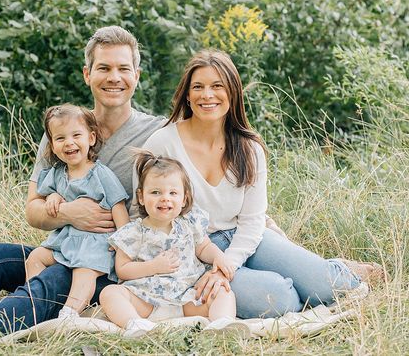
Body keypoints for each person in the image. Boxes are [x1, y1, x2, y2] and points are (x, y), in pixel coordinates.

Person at [0, 26, 165, 339]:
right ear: (87, 74)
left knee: (54, 277)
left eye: (123, 68)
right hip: (65, 247)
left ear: (137, 74)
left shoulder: (157, 134)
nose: (114, 77)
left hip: (112, 268)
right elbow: (34, 210)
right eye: (104, 68)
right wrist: (69, 213)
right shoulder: (63, 130)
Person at [141, 49, 383, 319]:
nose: (207, 95)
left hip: (244, 238)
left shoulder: (248, 148)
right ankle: (288, 281)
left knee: (330, 286)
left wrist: (227, 265)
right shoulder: (162, 143)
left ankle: (339, 269)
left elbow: (253, 221)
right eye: (198, 87)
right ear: (187, 94)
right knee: (280, 301)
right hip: (193, 252)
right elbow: (141, 210)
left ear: (232, 93)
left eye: (217, 86)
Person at [100, 151, 250, 337]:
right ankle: (135, 324)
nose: (165, 198)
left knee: (222, 291)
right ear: (141, 197)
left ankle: (221, 324)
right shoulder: (133, 232)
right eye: (155, 192)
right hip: (147, 300)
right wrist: (152, 267)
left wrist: (219, 256)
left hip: (187, 297)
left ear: (184, 198)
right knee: (110, 293)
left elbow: (203, 247)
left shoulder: (189, 222)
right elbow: (122, 269)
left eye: (173, 192)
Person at [24, 104, 129, 322]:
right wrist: (53, 198)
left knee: (85, 272)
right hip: (65, 241)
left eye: (76, 135)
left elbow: (118, 206)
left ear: (91, 138)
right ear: (52, 146)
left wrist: (122, 242)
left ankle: (70, 312)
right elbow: (47, 196)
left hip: (94, 243)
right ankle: (34, 299)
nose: (69, 143)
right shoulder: (57, 173)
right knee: (35, 257)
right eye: (60, 138)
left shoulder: (101, 174)